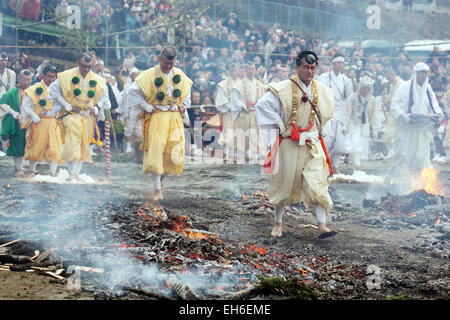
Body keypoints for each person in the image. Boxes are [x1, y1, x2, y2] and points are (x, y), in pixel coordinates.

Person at [255, 51, 336, 239]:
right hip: (290, 144)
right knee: (285, 183)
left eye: (313, 68)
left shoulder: (323, 90)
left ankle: (322, 226)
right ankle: (277, 223)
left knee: (317, 183)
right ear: (297, 67)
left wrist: (324, 129)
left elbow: (329, 114)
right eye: (306, 67)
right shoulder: (281, 88)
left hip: (312, 143)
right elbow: (262, 107)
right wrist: (282, 127)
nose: (309, 71)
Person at [127, 46, 192, 201]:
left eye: (171, 63)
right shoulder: (148, 74)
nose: (168, 66)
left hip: (174, 117)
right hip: (157, 116)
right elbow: (133, 92)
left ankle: (161, 178)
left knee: (174, 153)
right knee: (156, 151)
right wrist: (145, 106)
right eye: (166, 63)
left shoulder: (179, 74)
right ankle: (157, 189)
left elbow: (186, 97)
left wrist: (183, 106)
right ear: (159, 59)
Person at [48, 52, 111, 181]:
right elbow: (53, 91)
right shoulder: (66, 76)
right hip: (71, 114)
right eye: (84, 66)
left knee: (84, 144)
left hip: (87, 116)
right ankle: (71, 172)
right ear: (78, 63)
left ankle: (75, 173)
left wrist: (97, 107)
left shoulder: (97, 79)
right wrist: (65, 104)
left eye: (89, 67)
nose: (86, 70)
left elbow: (104, 97)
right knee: (73, 141)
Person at [386, 62, 443, 183]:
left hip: (421, 129)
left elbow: (435, 106)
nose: (424, 75)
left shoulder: (428, 88)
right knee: (402, 155)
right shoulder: (404, 87)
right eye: (422, 72)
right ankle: (390, 179)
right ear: (415, 73)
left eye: (426, 73)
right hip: (406, 129)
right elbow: (394, 106)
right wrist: (405, 117)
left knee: (422, 156)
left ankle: (420, 185)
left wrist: (438, 116)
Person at [21, 64, 61, 177]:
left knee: (54, 147)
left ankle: (53, 173)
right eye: (48, 76)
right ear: (43, 75)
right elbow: (26, 106)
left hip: (53, 121)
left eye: (53, 77)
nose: (51, 79)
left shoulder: (58, 89)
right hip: (39, 121)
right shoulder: (34, 89)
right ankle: (32, 170)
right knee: (36, 146)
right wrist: (33, 115)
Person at [317, 53, 354, 173]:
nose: (340, 65)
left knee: (340, 142)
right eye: (338, 62)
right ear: (332, 64)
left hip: (341, 113)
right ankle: (323, 166)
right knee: (327, 140)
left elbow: (349, 99)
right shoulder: (324, 77)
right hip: (327, 112)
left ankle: (335, 166)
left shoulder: (346, 80)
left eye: (342, 63)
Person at [339, 76, 381, 171]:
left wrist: (375, 129)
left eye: (367, 88)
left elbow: (374, 115)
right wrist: (344, 125)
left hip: (365, 126)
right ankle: (357, 165)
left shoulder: (372, 100)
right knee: (355, 145)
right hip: (354, 124)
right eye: (364, 88)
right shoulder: (353, 98)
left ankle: (359, 166)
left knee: (363, 147)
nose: (365, 90)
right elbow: (346, 112)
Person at [230, 61, 266, 163]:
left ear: (255, 70)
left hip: (256, 115)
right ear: (245, 70)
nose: (251, 71)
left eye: (252, 68)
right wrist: (244, 105)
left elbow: (264, 100)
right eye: (248, 69)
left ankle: (255, 156)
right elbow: (234, 100)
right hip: (243, 114)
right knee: (242, 135)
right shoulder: (238, 85)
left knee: (256, 135)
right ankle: (240, 156)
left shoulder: (260, 85)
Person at [0, 69, 33, 177]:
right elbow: (2, 104)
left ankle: (22, 166)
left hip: (30, 122)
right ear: (19, 79)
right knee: (18, 145)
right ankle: (18, 168)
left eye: (29, 80)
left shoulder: (33, 90)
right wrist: (15, 114)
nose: (27, 82)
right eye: (24, 80)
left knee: (26, 145)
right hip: (17, 123)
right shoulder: (13, 91)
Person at [215, 62, 240, 161]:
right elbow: (221, 100)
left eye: (236, 70)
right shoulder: (223, 84)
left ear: (238, 71)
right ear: (229, 71)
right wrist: (230, 107)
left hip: (239, 113)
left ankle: (236, 155)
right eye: (232, 70)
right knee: (227, 132)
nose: (234, 72)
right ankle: (226, 154)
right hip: (229, 112)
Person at [116, 67, 141, 154]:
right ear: (131, 76)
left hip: (139, 112)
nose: (136, 76)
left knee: (138, 131)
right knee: (128, 130)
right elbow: (123, 99)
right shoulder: (127, 86)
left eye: (137, 74)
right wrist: (120, 109)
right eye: (135, 75)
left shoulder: (141, 85)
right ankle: (128, 147)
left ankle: (136, 148)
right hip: (129, 112)